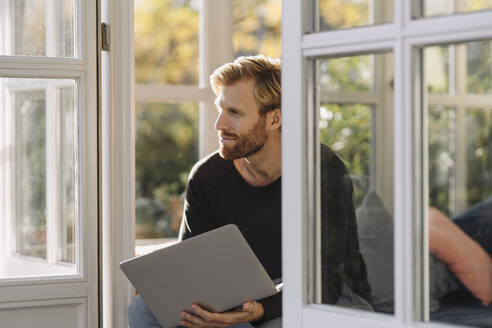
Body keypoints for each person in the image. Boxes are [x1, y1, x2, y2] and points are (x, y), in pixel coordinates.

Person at [128, 55, 372, 328]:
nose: (219, 124)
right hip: (242, 294)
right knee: (143, 310)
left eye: (235, 113)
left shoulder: (322, 170)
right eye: (221, 109)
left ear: (274, 119)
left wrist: (257, 311)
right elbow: (192, 265)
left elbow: (325, 281)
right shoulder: (206, 176)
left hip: (325, 297)